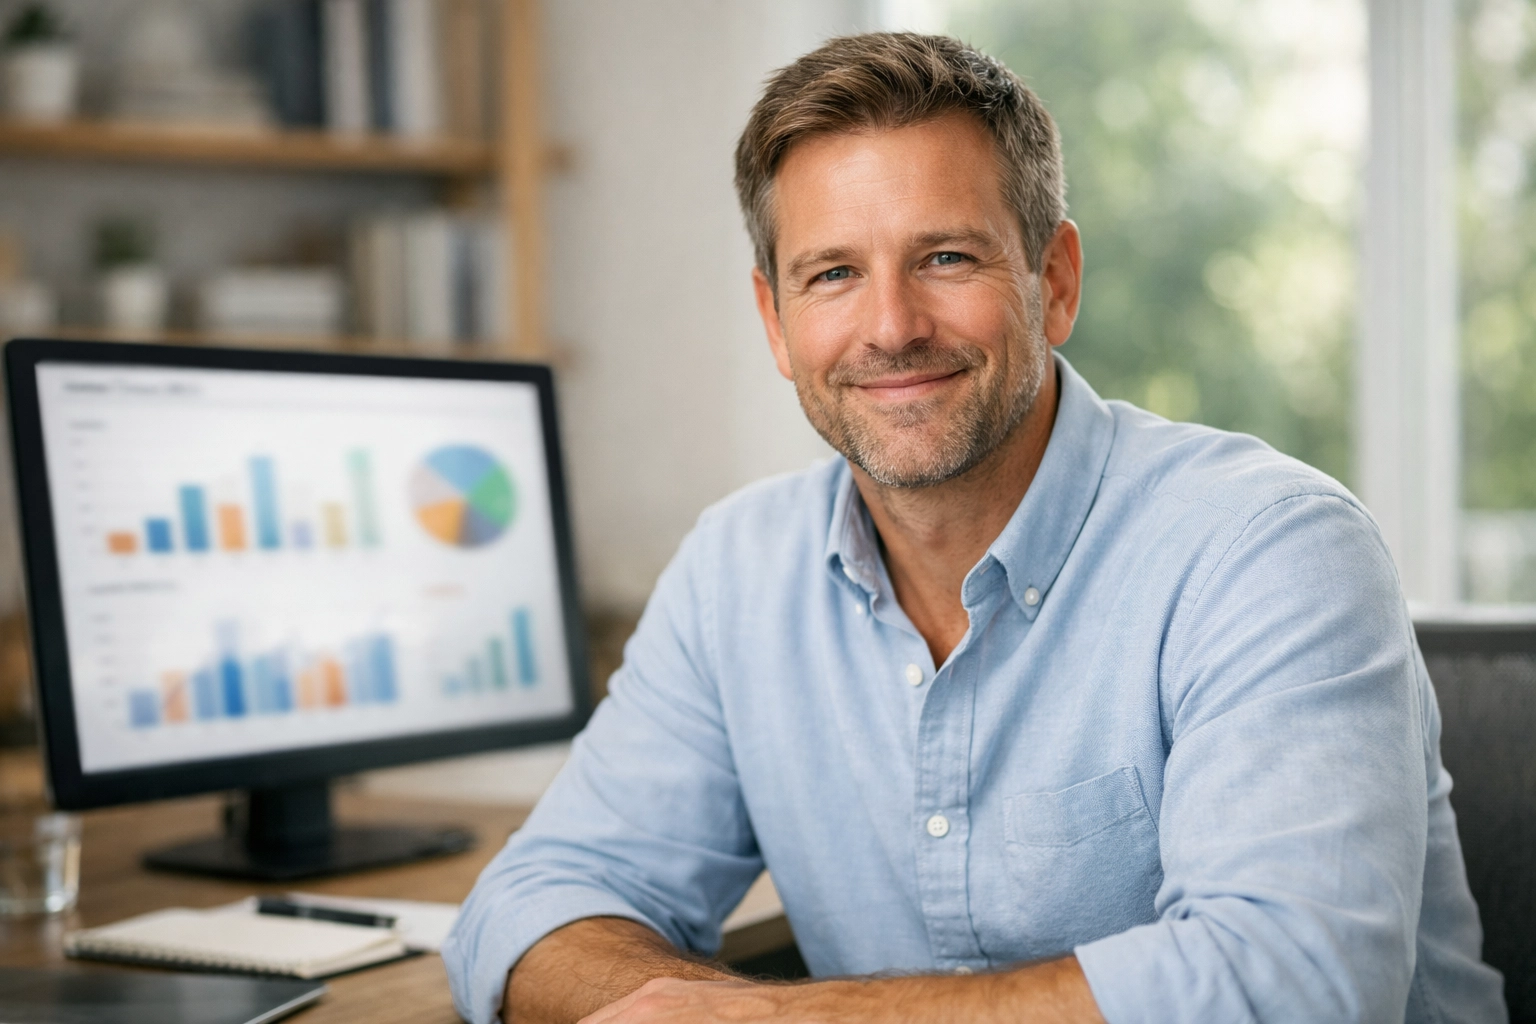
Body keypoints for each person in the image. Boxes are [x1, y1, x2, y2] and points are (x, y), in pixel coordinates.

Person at [443, 32, 1506, 1024]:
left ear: (1054, 281)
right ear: (776, 321)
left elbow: (1293, 984)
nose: (893, 326)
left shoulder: (1268, 548)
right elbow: (529, 905)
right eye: (834, 274)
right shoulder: (737, 571)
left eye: (947, 258)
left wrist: (773, 1017)